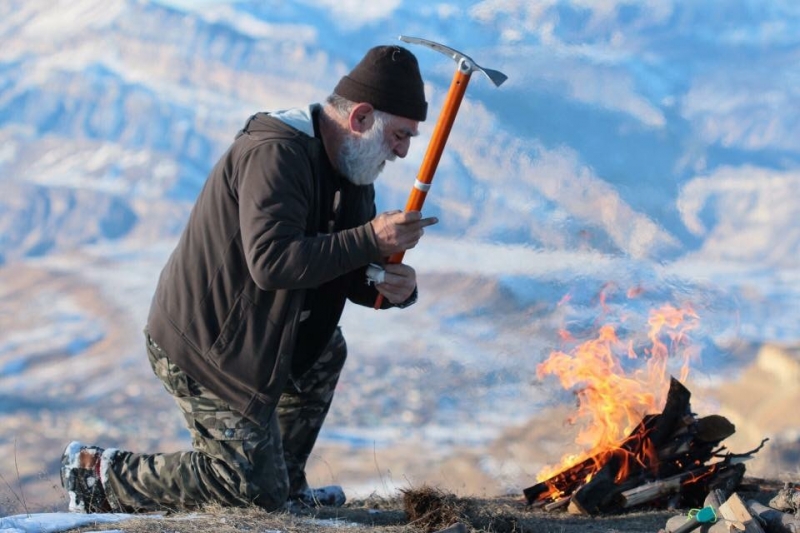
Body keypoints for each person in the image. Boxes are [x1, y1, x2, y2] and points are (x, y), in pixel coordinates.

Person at [60, 44, 438, 514]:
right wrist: (368, 239)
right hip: (209, 346)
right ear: (361, 117)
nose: (404, 151)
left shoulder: (353, 168)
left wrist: (389, 286)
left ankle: (287, 487)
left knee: (323, 353)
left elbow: (338, 265)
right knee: (247, 491)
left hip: (262, 339)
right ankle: (101, 476)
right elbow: (273, 261)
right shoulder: (276, 153)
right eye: (401, 135)